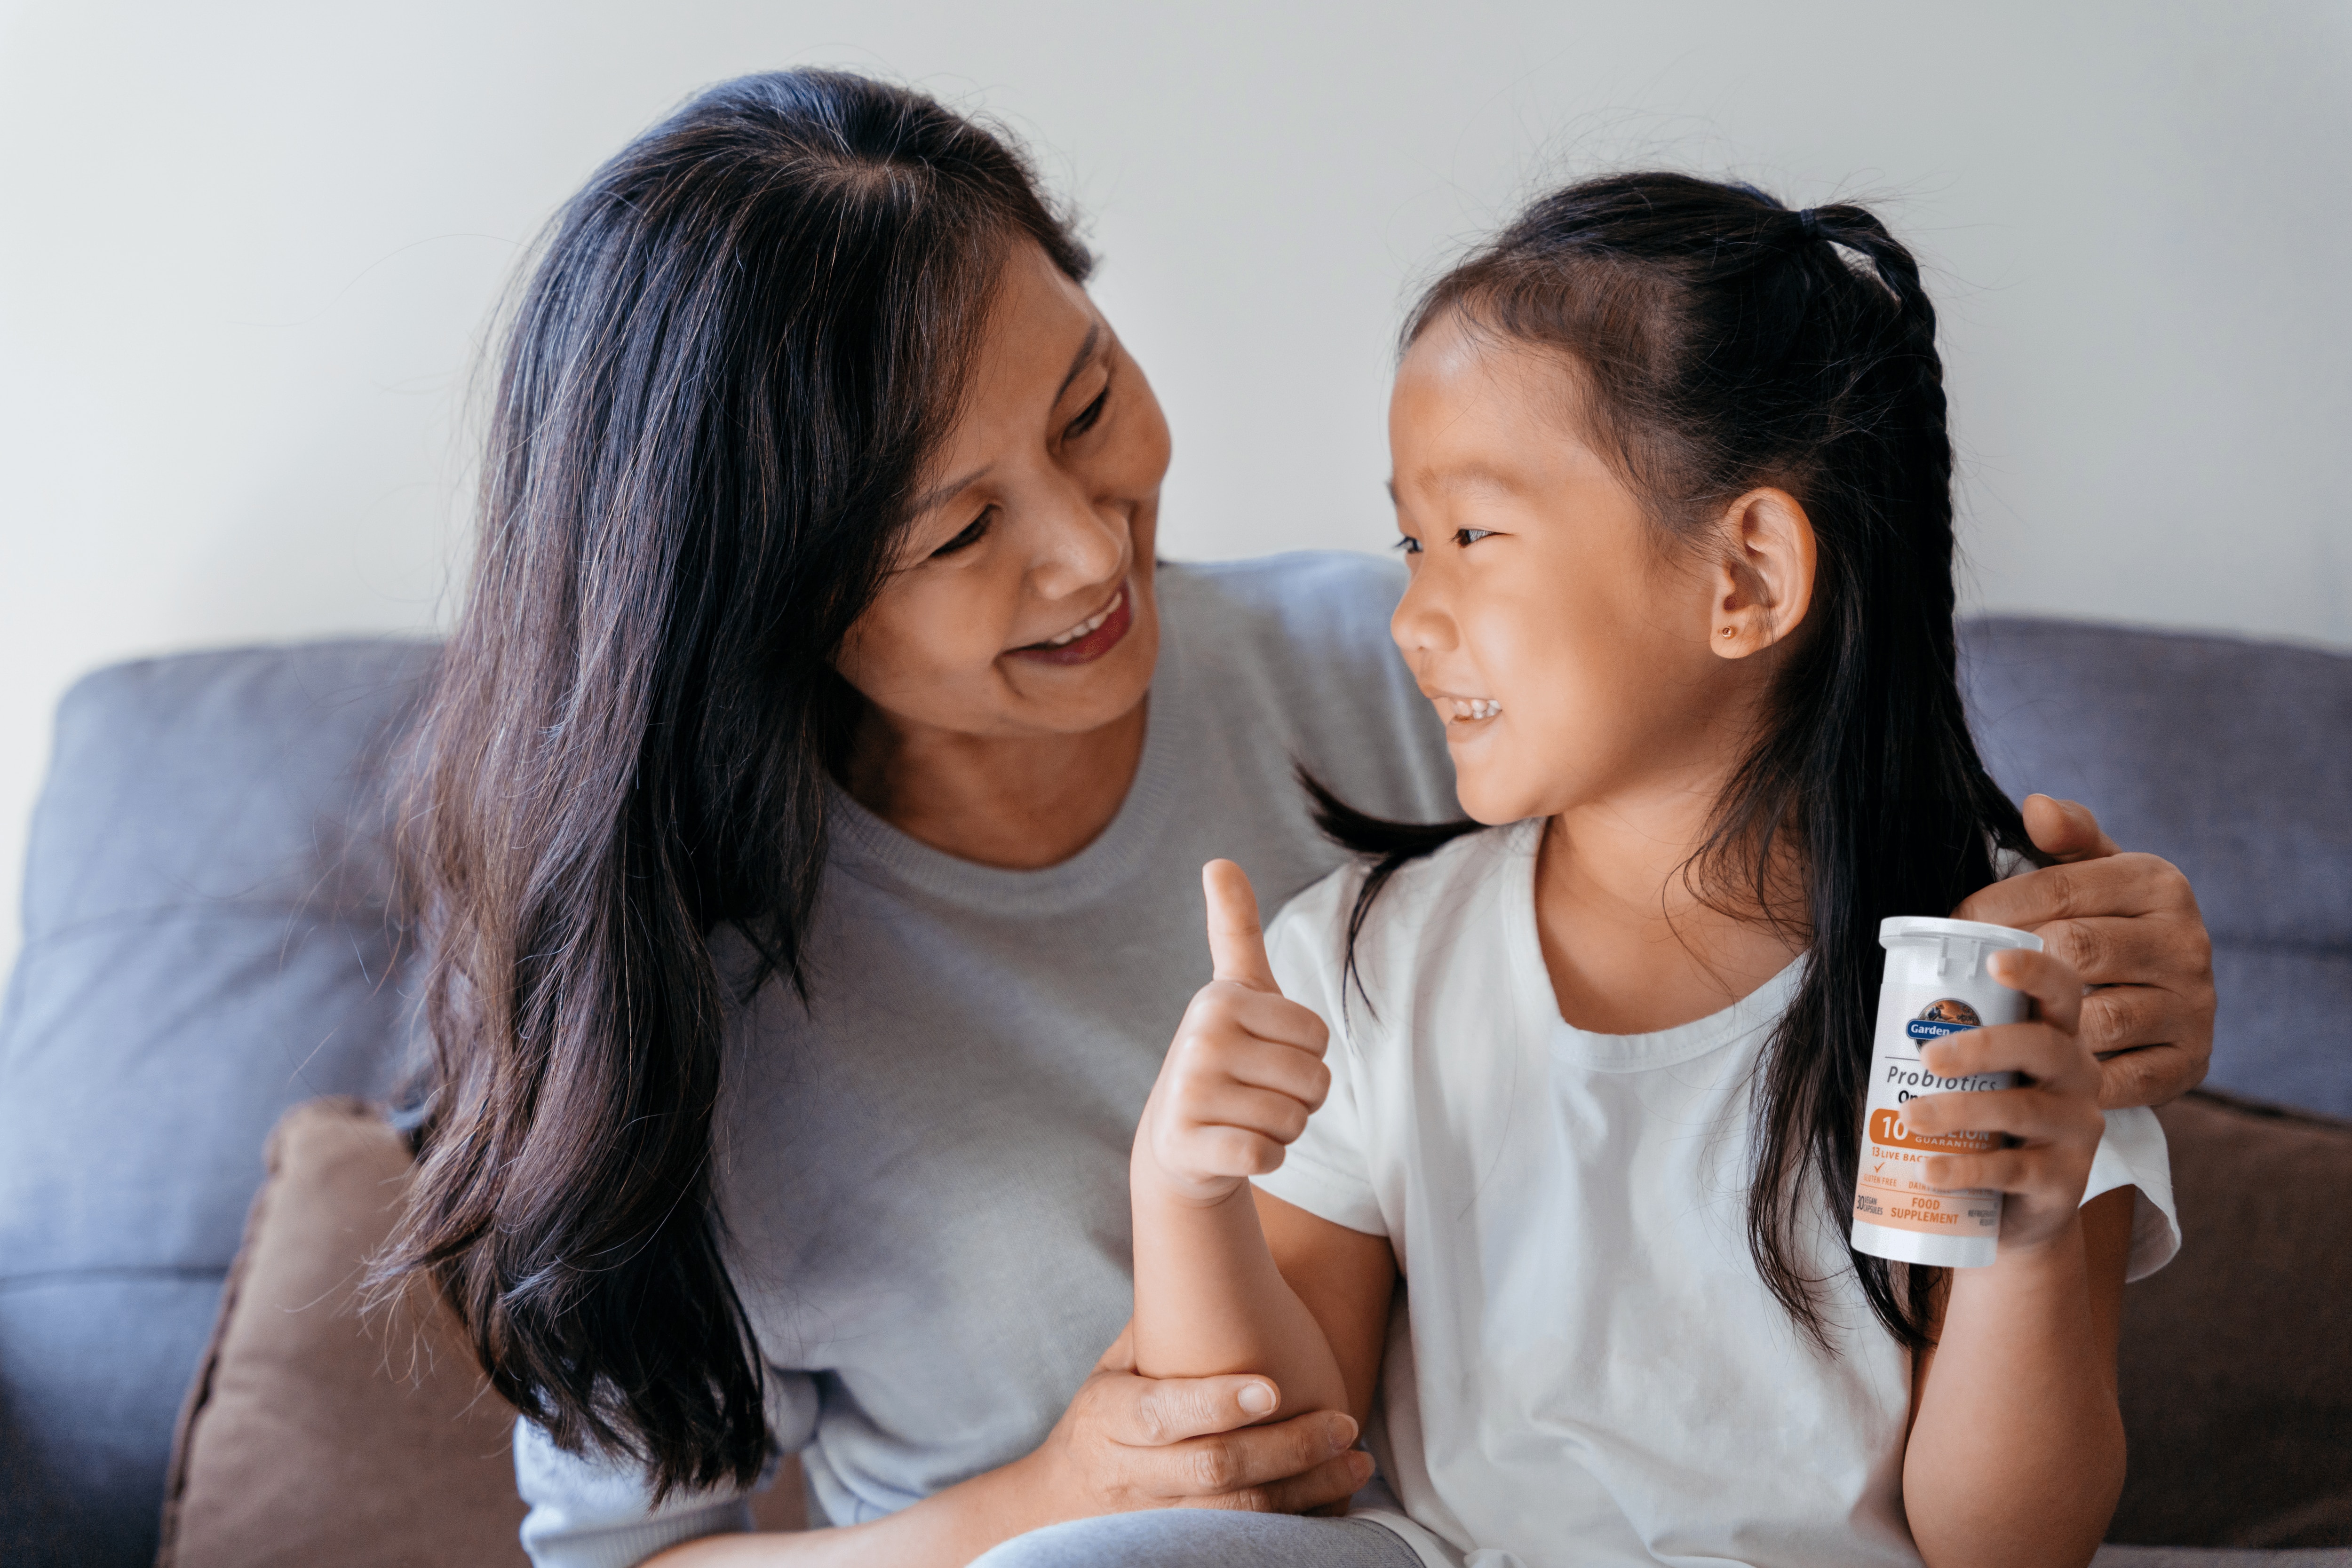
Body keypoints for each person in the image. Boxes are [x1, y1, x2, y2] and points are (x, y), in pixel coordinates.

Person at [375, 71, 2217, 1568]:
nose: (1090, 550)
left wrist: (2108, 1005)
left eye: (1088, 402)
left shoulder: (1435, 683)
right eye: (955, 533)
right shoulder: (655, 994)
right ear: (766, 604)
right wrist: (1035, 1505)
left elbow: (1770, 776)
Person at [1050, 175, 2178, 1568]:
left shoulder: (1989, 981)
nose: (1411, 616)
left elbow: (2006, 1548)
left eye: (1471, 536)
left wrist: (2026, 1227)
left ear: (1747, 576)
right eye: (1412, 541)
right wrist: (1188, 1190)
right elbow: (1289, 1465)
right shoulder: (1364, 961)